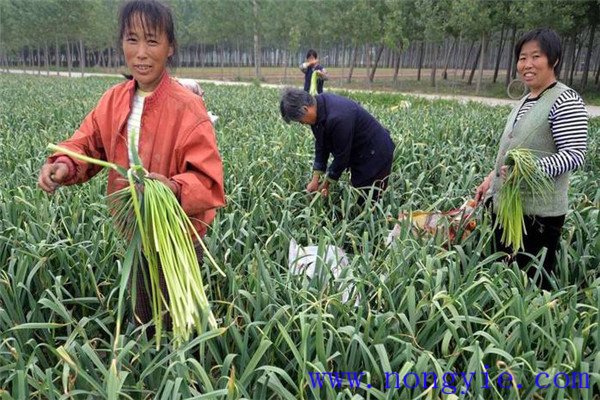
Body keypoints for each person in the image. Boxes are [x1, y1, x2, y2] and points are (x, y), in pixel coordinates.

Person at [37, 0, 225, 329]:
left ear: (170, 48)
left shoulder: (188, 108)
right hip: (135, 233)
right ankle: (144, 363)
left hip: (178, 236)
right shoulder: (113, 100)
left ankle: (180, 369)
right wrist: (65, 162)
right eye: (131, 39)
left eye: (152, 41)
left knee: (179, 319)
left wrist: (173, 189)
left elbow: (208, 182)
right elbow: (87, 142)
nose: (140, 52)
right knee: (143, 311)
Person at [474, 28, 588, 290]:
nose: (527, 64)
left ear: (554, 60)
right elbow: (513, 149)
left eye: (535, 56)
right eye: (522, 57)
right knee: (503, 282)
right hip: (505, 209)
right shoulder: (526, 100)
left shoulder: (565, 100)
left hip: (537, 218)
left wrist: (530, 169)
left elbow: (574, 155)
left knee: (530, 288)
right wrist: (491, 180)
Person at [279, 88, 395, 202]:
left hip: (377, 153)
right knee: (359, 190)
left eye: (300, 121)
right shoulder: (319, 107)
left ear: (305, 109)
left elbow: (342, 157)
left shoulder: (338, 118)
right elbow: (321, 144)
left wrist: (325, 185)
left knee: (368, 198)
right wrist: (315, 180)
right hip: (360, 151)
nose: (302, 123)